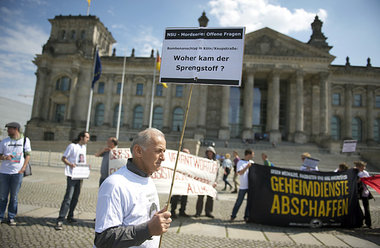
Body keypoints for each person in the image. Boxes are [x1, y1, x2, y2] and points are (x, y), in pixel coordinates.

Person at [94, 128, 171, 247]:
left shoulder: (148, 179)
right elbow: (104, 239)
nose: (163, 157)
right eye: (158, 151)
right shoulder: (114, 185)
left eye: (164, 151)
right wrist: (148, 229)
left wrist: (153, 220)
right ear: (139, 151)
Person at [55, 131, 90, 230]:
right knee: (68, 197)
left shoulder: (84, 148)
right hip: (71, 175)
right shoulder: (72, 146)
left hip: (80, 176)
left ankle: (70, 216)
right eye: (87, 137)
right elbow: (64, 158)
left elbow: (81, 161)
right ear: (81, 137)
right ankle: (60, 219)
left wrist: (86, 167)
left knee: (75, 197)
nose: (88, 139)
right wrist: (70, 164)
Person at [0, 122, 31, 226]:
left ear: (16, 129)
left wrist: (23, 168)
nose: (7, 131)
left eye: (9, 129)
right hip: (4, 172)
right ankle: (0, 216)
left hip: (17, 172)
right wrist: (4, 157)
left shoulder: (25, 140)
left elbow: (28, 155)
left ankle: (11, 217)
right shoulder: (4, 141)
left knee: (14, 196)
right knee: (3, 196)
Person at [230, 149, 254, 222]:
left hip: (250, 186)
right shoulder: (240, 162)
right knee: (239, 202)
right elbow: (240, 173)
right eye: (252, 154)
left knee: (249, 202)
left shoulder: (252, 162)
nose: (253, 156)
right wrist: (247, 167)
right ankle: (233, 216)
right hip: (243, 186)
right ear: (248, 154)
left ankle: (246, 216)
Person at [195, 146, 218, 218]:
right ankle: (198, 212)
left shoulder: (216, 162)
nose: (209, 154)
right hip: (203, 182)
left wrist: (216, 182)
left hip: (211, 182)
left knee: (210, 198)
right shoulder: (203, 161)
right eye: (208, 152)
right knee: (200, 198)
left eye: (211, 152)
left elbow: (217, 173)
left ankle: (208, 212)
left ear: (213, 154)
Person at [170, 148, 190, 218]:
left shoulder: (190, 163)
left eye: (186, 153)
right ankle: (172, 211)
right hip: (177, 181)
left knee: (185, 198)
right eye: (184, 153)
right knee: (175, 197)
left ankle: (182, 211)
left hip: (185, 182)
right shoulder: (177, 161)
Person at [355, 161, 373, 229]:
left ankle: (368, 223)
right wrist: (358, 180)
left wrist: (366, 179)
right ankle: (360, 221)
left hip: (364, 192)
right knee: (357, 207)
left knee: (366, 208)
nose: (364, 168)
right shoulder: (355, 172)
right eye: (362, 166)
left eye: (364, 166)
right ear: (358, 167)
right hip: (357, 192)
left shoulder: (365, 173)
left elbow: (369, 181)